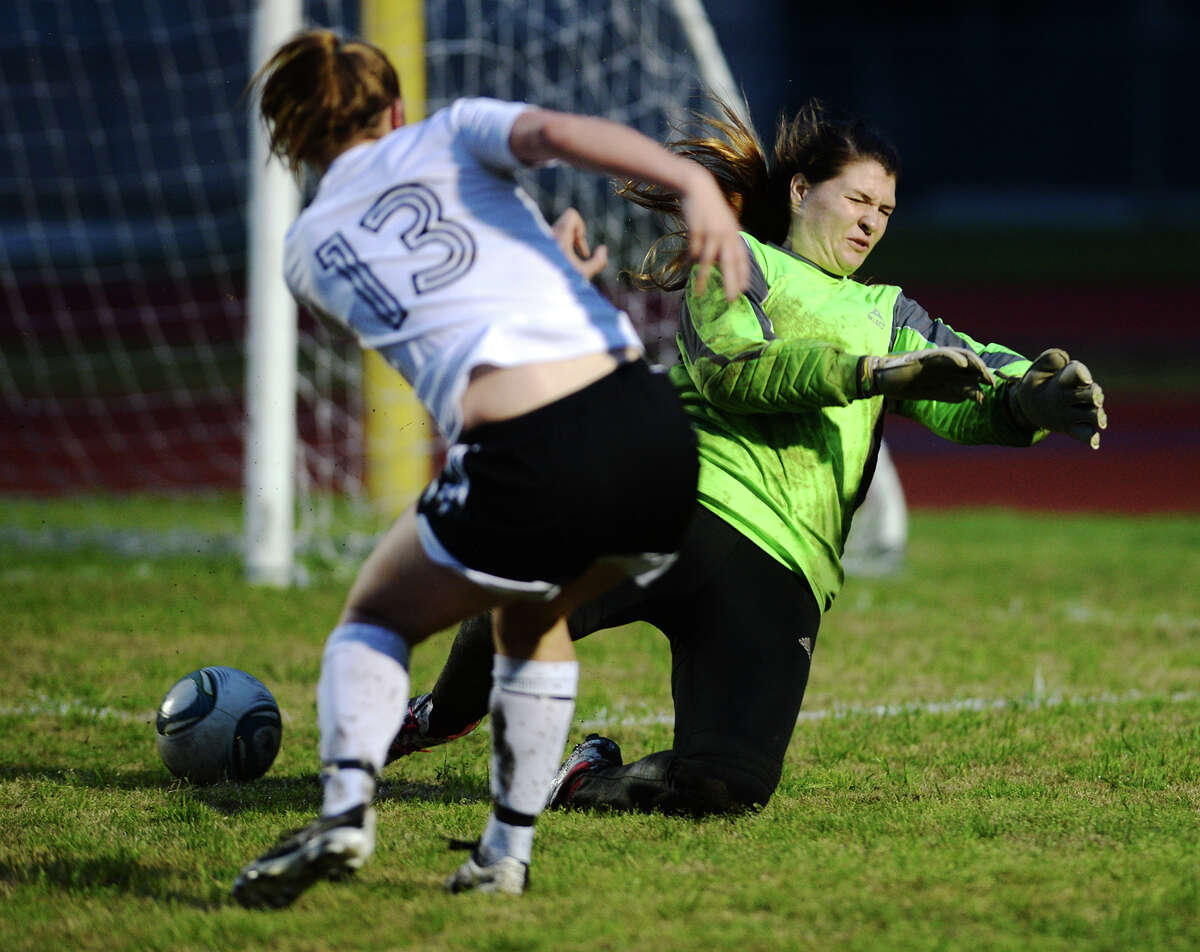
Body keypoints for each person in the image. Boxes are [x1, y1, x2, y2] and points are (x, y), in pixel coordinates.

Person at [386, 98, 1107, 816]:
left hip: (785, 566)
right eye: (857, 198)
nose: (870, 222)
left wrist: (1029, 403)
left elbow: (971, 377)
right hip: (680, 504)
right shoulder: (737, 257)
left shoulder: (891, 315)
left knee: (726, 789)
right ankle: (440, 716)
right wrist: (871, 373)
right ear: (800, 191)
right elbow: (738, 367)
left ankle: (581, 778)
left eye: (885, 211)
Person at [232, 29, 751, 906]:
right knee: (530, 615)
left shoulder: (306, 252)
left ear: (291, 141)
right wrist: (693, 182)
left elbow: (450, 303)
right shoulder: (451, 128)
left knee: (377, 614)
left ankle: (347, 808)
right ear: (396, 107)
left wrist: (549, 265)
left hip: (533, 449)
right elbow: (558, 134)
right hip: (651, 432)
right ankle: (504, 856)